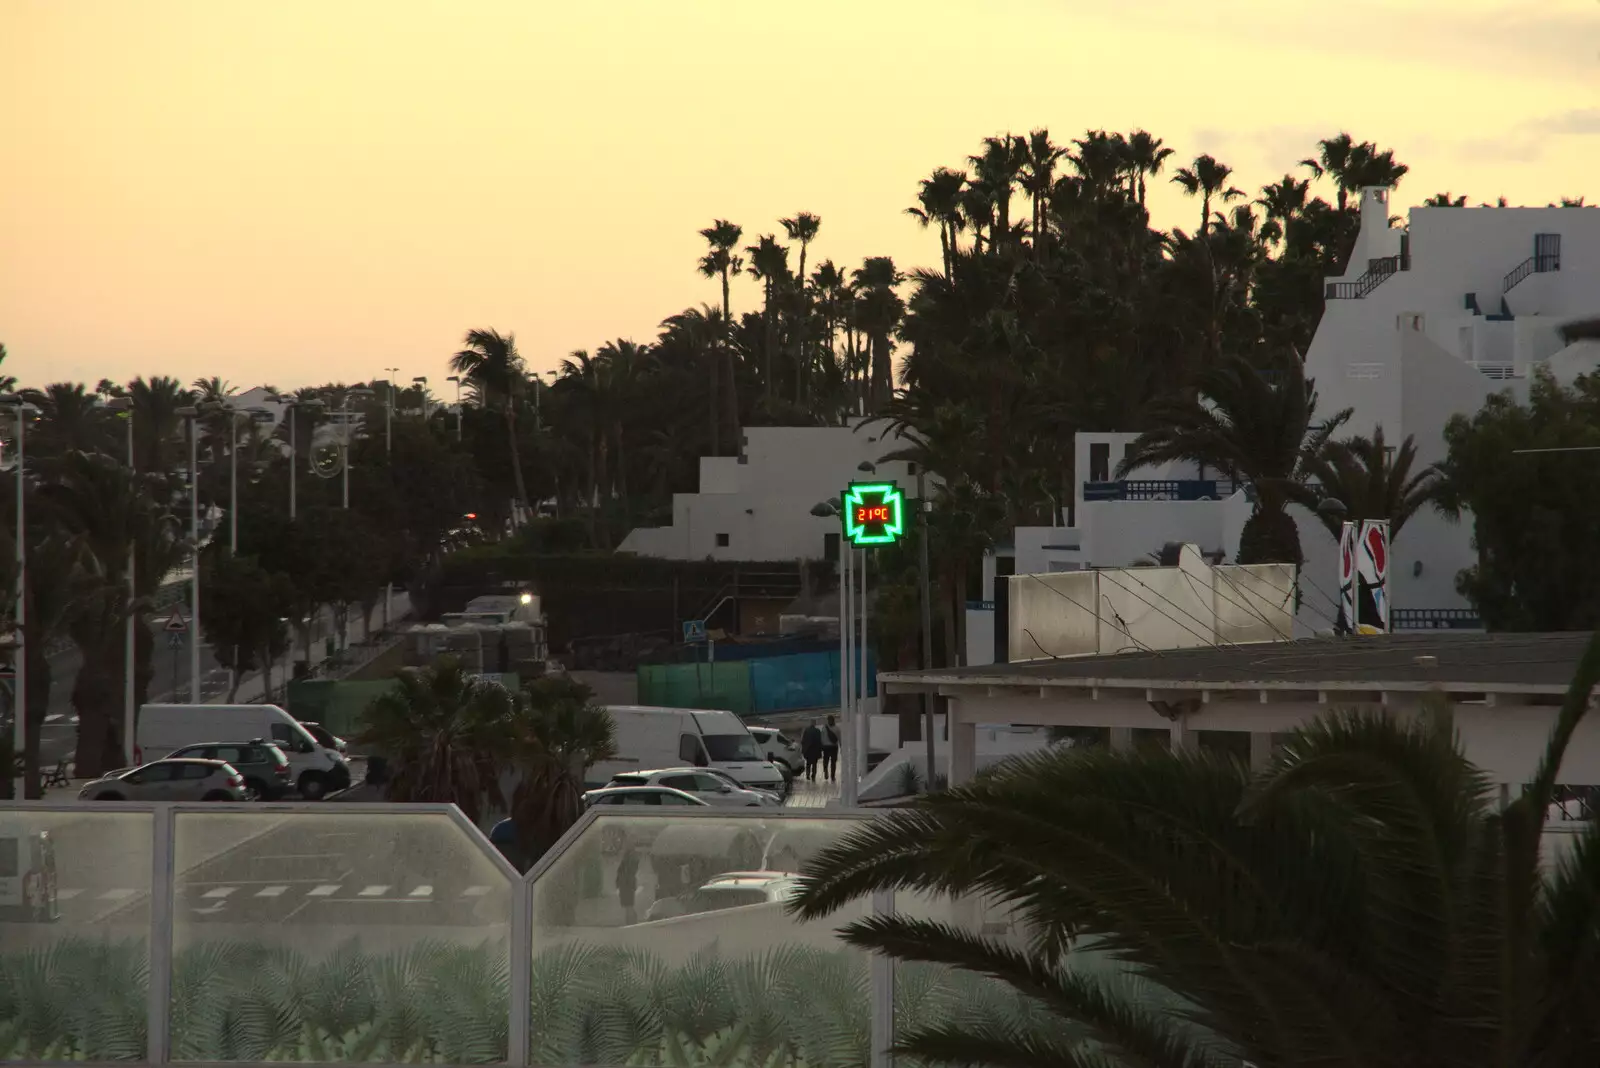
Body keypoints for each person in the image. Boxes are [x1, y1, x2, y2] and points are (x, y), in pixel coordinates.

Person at [616, 848, 639, 925]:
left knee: (628, 906)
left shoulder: (626, 864)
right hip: (628, 885)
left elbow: (620, 874)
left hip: (626, 885)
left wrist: (618, 884)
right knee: (629, 906)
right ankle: (631, 921)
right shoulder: (632, 862)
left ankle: (630, 922)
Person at [822, 715, 841, 783]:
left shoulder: (824, 728)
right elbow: (839, 739)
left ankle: (826, 770)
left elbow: (822, 738)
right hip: (834, 747)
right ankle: (832, 776)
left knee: (826, 760)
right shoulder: (837, 728)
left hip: (826, 747)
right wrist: (841, 747)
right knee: (833, 762)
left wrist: (822, 746)